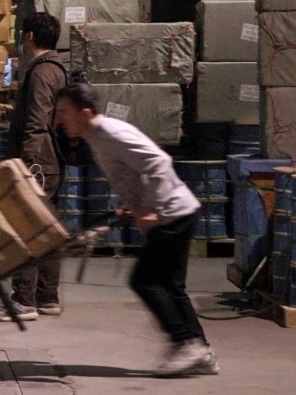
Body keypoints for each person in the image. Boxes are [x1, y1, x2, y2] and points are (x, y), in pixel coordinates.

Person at [54, 82, 218, 377]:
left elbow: (158, 161)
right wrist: (133, 205)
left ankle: (185, 343)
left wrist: (155, 210)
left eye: (65, 112)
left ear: (85, 112)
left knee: (145, 281)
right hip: (178, 211)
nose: (60, 120)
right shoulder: (96, 137)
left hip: (172, 214)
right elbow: (132, 172)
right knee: (170, 286)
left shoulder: (109, 132)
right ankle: (201, 351)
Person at [0, 12, 66, 322]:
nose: (21, 39)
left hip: (39, 163)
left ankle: (24, 301)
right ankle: (47, 297)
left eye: (22, 33)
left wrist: (26, 162)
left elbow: (37, 119)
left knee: (26, 230)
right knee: (47, 231)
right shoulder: (57, 68)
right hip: (51, 161)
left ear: (30, 36)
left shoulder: (42, 72)